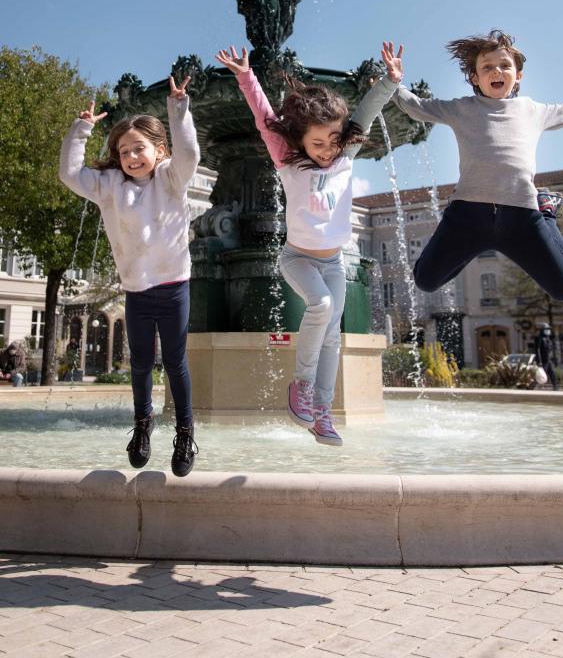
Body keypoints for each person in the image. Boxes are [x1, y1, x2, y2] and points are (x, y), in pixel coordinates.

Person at [215, 41, 404, 446]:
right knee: (320, 306)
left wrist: (389, 80)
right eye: (317, 144)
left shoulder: (346, 155)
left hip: (333, 262)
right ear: (300, 141)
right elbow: (266, 119)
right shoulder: (287, 160)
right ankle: (299, 386)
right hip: (296, 258)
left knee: (332, 333)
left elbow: (365, 114)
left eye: (333, 141)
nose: (326, 150)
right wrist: (246, 77)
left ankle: (322, 414)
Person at [392, 29, 563, 304]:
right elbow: (417, 107)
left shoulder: (533, 111)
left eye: (505, 66)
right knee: (425, 280)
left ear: (518, 76)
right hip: (469, 214)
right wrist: (394, 84)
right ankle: (469, 249)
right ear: (475, 78)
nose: (497, 72)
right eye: (488, 67)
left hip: (521, 214)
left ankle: (547, 212)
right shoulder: (461, 108)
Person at [59, 78, 200, 476]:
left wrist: (178, 109)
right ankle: (142, 426)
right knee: (140, 364)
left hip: (174, 286)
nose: (132, 156)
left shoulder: (173, 178)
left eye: (139, 148)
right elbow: (70, 174)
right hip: (136, 290)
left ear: (159, 150)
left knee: (174, 362)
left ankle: (186, 433)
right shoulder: (108, 186)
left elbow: (189, 151)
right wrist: (80, 129)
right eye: (124, 151)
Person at [535, 323, 558, 390]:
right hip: (543, 360)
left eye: (548, 329)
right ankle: (531, 386)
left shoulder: (548, 338)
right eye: (546, 329)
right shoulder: (539, 338)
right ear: (542, 330)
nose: (548, 331)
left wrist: (554, 358)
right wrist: (539, 361)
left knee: (552, 373)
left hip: (549, 360)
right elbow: (537, 350)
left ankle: (555, 387)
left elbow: (550, 350)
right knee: (541, 375)